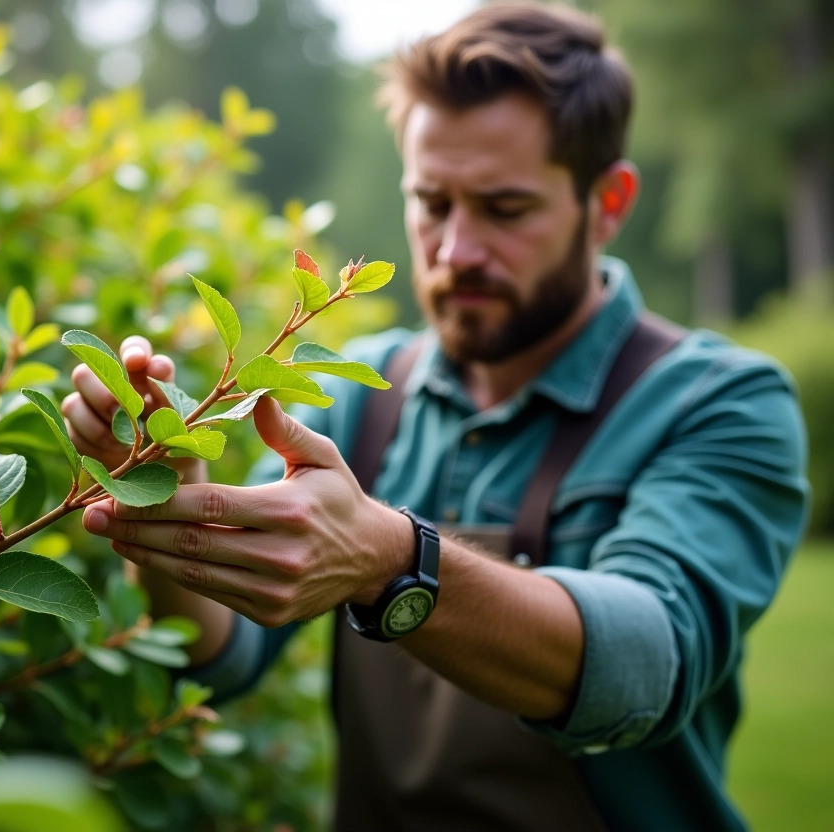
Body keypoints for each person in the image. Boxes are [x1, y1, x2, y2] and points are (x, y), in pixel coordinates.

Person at [62, 4, 809, 830]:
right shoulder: (366, 390)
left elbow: (646, 662)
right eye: (432, 203)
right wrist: (166, 505)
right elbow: (217, 656)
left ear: (608, 203)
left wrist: (392, 561)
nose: (456, 251)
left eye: (506, 208)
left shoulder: (719, 402)